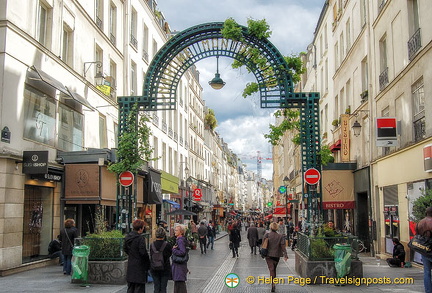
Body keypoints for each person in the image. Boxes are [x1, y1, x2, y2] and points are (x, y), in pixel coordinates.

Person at [124, 219, 150, 293]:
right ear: (140, 228)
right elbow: (143, 253)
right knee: (139, 288)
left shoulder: (127, 237)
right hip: (139, 267)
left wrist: (132, 254)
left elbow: (125, 249)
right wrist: (147, 263)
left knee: (130, 287)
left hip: (131, 264)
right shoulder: (140, 238)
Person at [264, 222, 288, 292]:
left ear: (270, 227)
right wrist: (285, 255)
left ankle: (272, 284)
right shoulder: (280, 236)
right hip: (277, 255)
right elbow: (283, 246)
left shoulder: (267, 235)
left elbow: (263, 244)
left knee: (271, 269)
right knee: (274, 269)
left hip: (268, 255)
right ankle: (273, 282)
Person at [150, 227, 172, 293]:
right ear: (164, 235)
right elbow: (169, 254)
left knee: (156, 287)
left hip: (154, 268)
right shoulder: (167, 245)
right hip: (165, 268)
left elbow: (151, 255)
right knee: (163, 287)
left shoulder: (152, 245)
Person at [416, 207, 432, 293]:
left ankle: (428, 290)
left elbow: (417, 235)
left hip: (424, 250)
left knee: (426, 271)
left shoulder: (420, 222)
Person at [172, 225, 189, 293]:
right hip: (179, 266)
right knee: (178, 284)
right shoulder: (180, 240)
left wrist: (173, 250)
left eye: (176, 230)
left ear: (181, 232)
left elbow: (182, 252)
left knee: (179, 285)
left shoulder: (180, 240)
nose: (175, 232)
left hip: (179, 266)